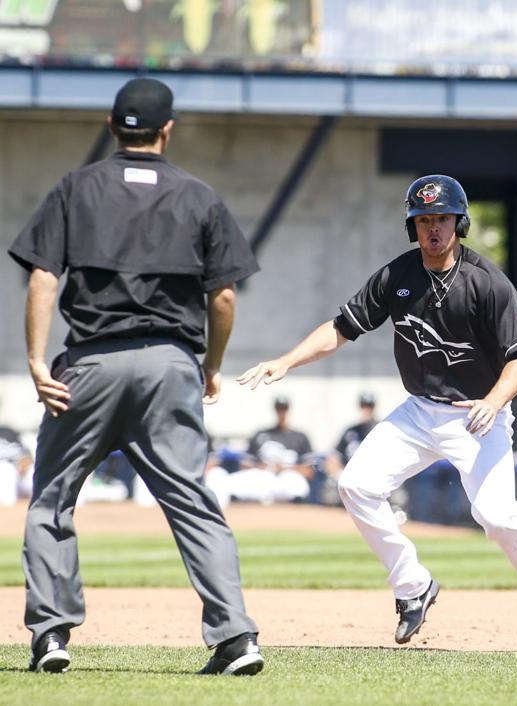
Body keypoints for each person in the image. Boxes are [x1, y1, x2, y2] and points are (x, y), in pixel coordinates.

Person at [237, 174, 517, 644]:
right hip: (419, 411)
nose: (433, 229)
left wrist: (494, 400)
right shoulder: (398, 276)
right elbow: (342, 328)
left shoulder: (487, 283)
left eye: (442, 219)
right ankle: (413, 587)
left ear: (459, 222)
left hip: (476, 413)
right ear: (413, 226)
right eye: (423, 219)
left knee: (498, 516)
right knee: (356, 485)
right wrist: (286, 360)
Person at [7, 77, 264, 675]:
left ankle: (51, 636)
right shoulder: (199, 196)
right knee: (192, 501)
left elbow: (43, 278)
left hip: (90, 366)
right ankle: (235, 639)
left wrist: (37, 360)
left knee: (52, 498)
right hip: (170, 366)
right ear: (167, 129)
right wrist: (211, 365)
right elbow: (223, 296)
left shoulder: (76, 187)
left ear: (111, 124)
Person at [209, 396, 313, 504]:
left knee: (297, 485)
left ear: (288, 410)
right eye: (279, 408)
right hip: (263, 477)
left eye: (284, 408)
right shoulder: (261, 434)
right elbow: (245, 464)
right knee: (228, 481)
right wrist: (262, 467)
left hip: (287, 478)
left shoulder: (300, 437)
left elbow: (309, 471)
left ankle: (294, 509)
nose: (281, 411)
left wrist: (285, 468)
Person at [0, 423, 33, 507]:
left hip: (20, 474)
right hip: (5, 474)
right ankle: (9, 512)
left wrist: (24, 463)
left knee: (33, 470)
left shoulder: (7, 431)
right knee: (6, 469)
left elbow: (26, 455)